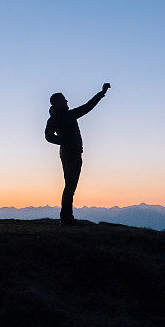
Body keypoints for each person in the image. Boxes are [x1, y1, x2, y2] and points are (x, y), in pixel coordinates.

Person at [44, 83, 111, 225]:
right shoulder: (55, 119)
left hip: (76, 153)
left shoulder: (70, 115)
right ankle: (66, 218)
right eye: (64, 99)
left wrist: (101, 93)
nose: (67, 101)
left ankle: (67, 217)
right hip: (68, 154)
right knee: (70, 186)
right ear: (57, 103)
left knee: (71, 186)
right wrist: (65, 141)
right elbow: (48, 136)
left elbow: (88, 107)